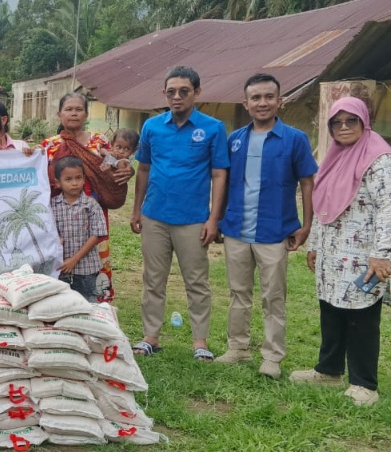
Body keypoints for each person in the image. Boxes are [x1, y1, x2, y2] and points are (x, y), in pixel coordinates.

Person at [214, 74, 318, 379]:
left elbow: (308, 182)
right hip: (236, 228)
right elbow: (223, 181)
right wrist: (217, 219)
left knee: (273, 296)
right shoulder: (235, 140)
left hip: (274, 231)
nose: (262, 103)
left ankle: (272, 356)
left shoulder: (295, 139)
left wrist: (306, 224)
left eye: (269, 97)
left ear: (279, 100)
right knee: (238, 292)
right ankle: (238, 348)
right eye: (255, 98)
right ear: (245, 104)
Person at [290, 96, 391, 407]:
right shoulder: (334, 156)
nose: (343, 127)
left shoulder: (378, 158)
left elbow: (388, 206)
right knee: (331, 310)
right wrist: (316, 246)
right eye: (337, 122)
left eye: (351, 121)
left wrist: (382, 253)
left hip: (365, 254)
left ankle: (364, 384)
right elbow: (325, 203)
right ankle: (329, 371)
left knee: (361, 316)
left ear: (364, 122)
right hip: (333, 255)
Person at [129, 66, 230, 361]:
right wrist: (136, 210)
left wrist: (214, 218)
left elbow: (219, 175)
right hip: (155, 216)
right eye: (171, 92)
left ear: (197, 93)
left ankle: (200, 342)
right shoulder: (152, 127)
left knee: (197, 281)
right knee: (153, 279)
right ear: (164, 94)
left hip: (194, 219)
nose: (177, 97)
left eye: (184, 91)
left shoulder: (212, 128)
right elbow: (144, 169)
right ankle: (151, 337)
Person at [43, 93, 133, 300]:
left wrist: (125, 168)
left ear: (86, 115)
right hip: (61, 214)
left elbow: (112, 162)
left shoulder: (97, 141)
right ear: (59, 114)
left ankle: (97, 302)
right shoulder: (49, 146)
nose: (73, 113)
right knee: (63, 258)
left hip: (94, 210)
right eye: (68, 109)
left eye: (78, 109)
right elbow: (37, 176)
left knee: (95, 255)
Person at [51, 156, 108, 302]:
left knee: (89, 306)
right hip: (60, 269)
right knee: (62, 307)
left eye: (78, 178)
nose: (74, 183)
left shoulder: (91, 205)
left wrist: (74, 260)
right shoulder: (52, 205)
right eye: (68, 179)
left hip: (87, 270)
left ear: (84, 179)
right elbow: (45, 231)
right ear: (58, 183)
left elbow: (96, 235)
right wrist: (54, 239)